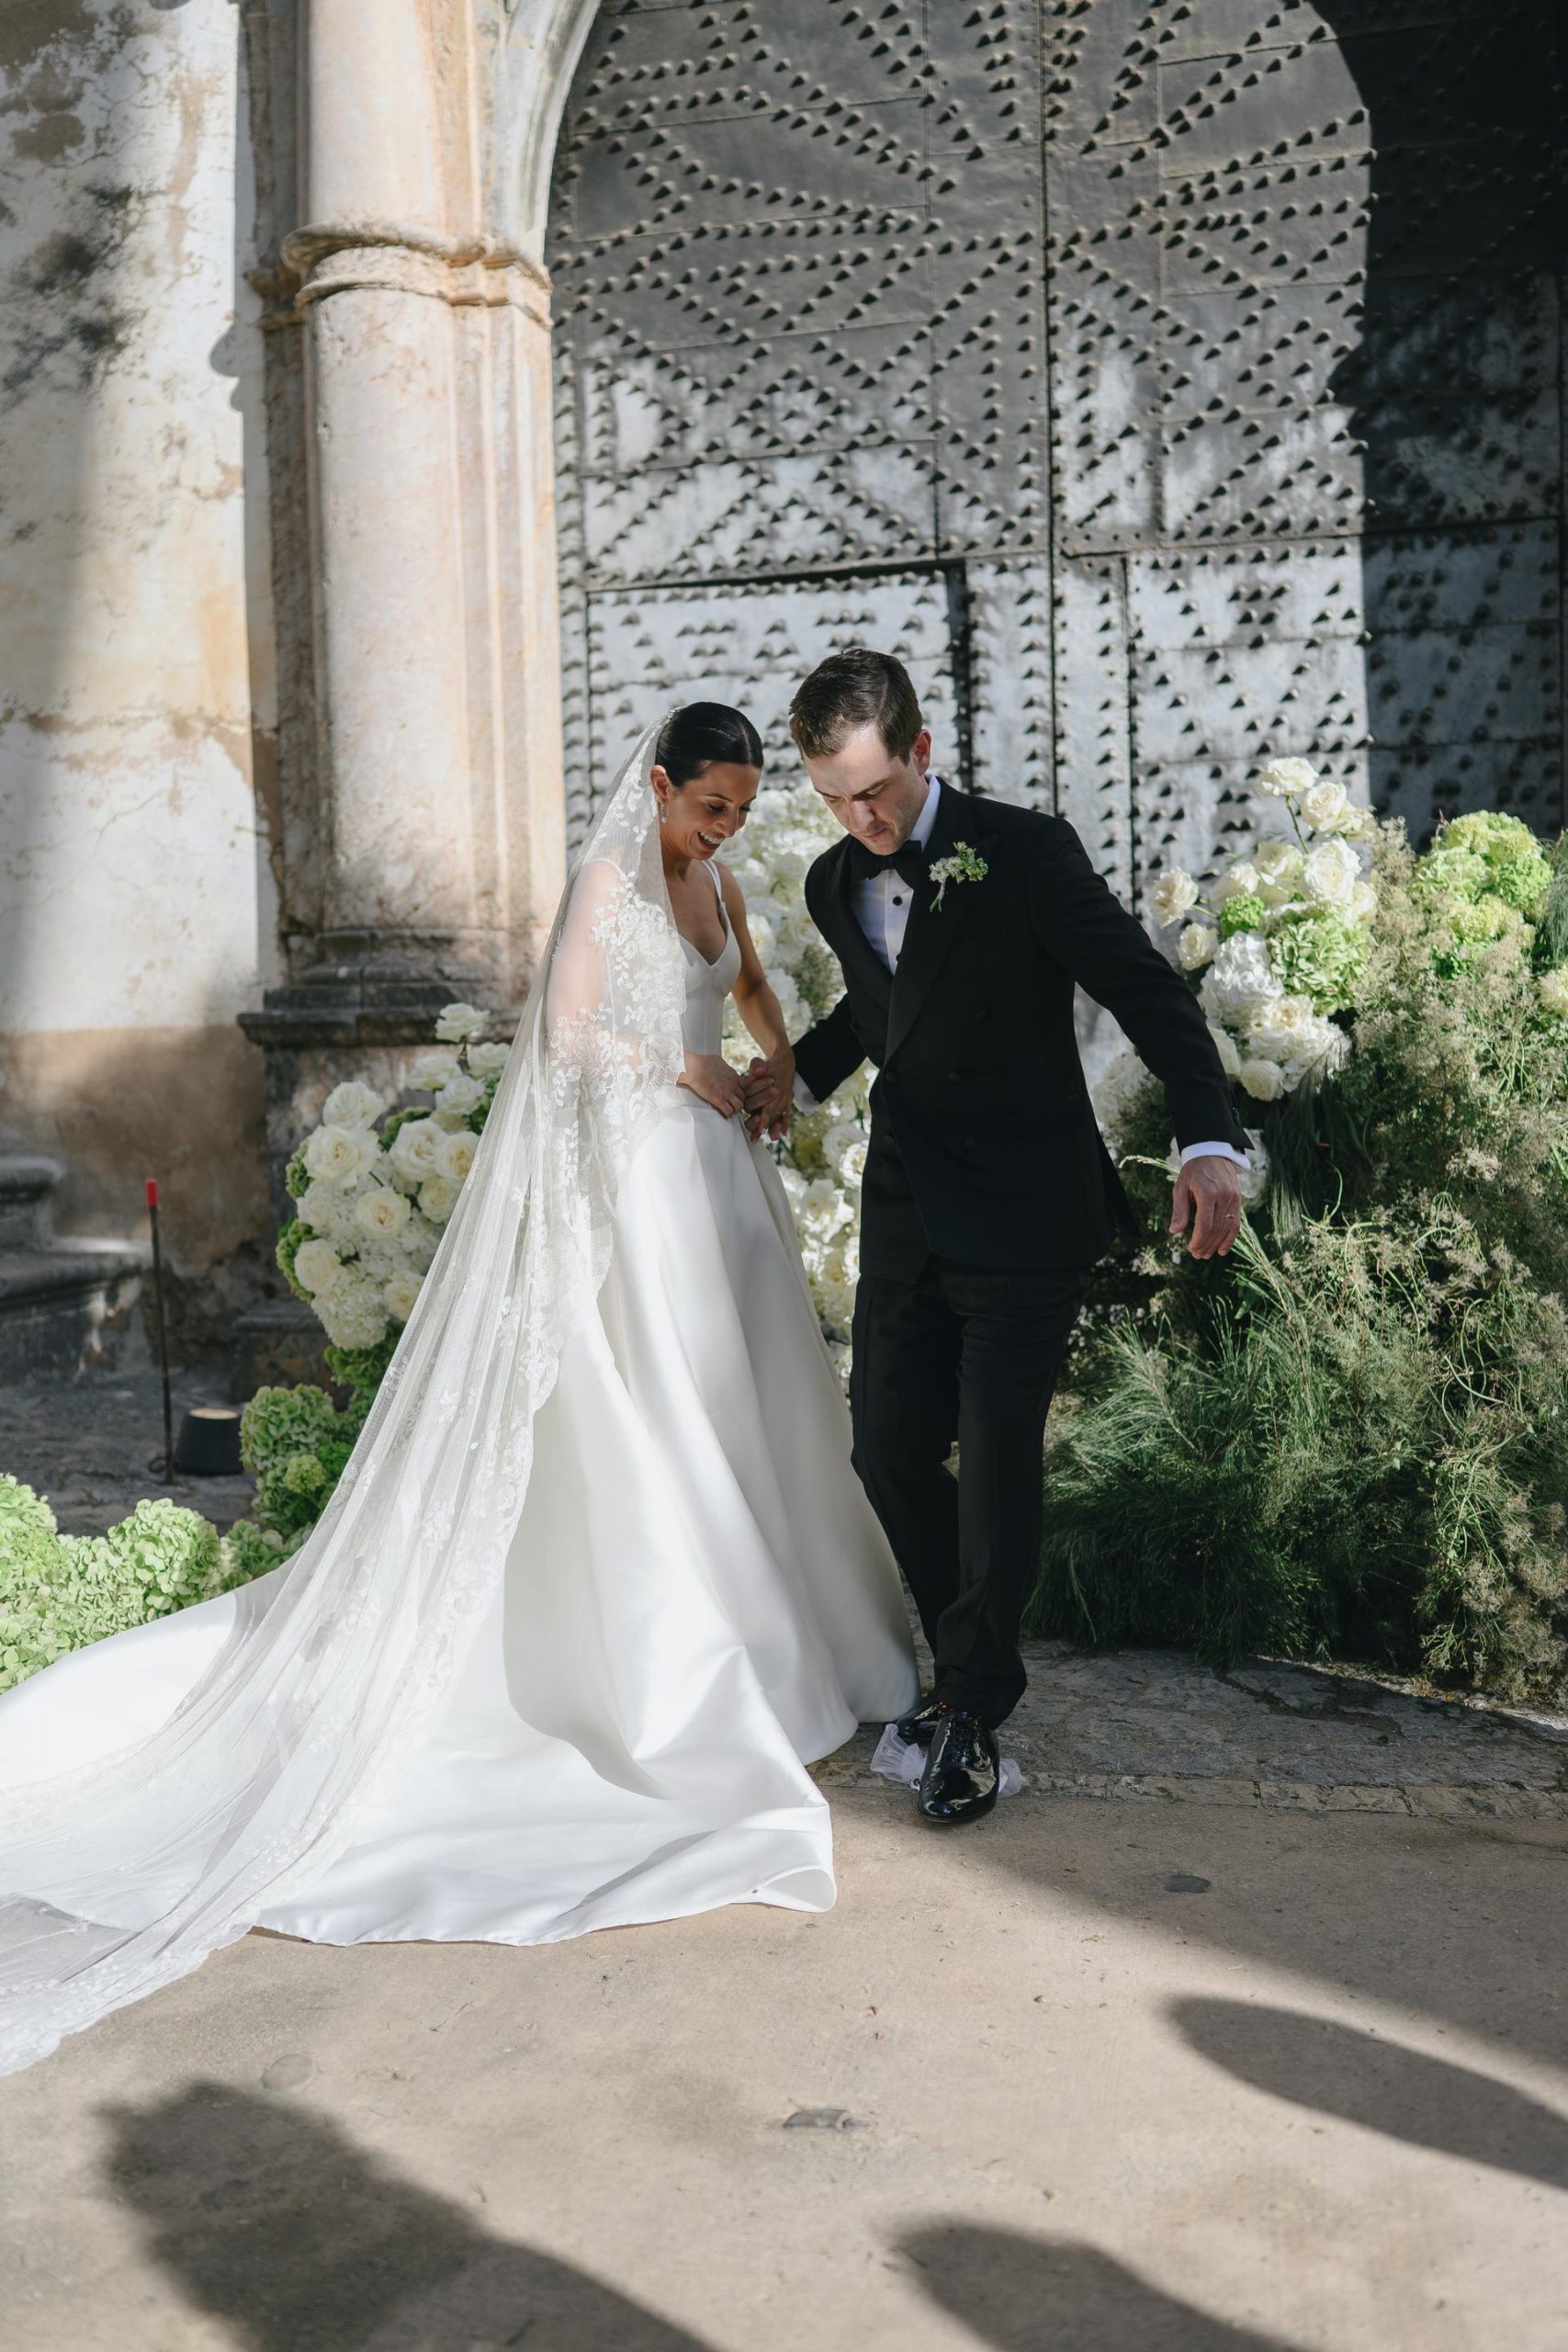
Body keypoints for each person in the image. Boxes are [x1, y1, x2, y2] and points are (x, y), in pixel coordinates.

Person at [0, 707, 916, 2077]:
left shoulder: (717, 880)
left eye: (738, 810)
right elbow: (560, 1033)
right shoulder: (607, 880)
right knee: (661, 1412)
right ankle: (681, 1678)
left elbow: (752, 986)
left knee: (757, 1416)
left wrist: (773, 1060)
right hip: (639, 1183)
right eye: (709, 806)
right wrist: (690, 1068)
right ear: (658, 785)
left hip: (719, 1186)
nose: (725, 829)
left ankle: (802, 1645)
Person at [743, 650, 1247, 1827]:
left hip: (1026, 1213)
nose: (859, 819)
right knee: (884, 1451)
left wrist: (1205, 1141)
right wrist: (793, 1080)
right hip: (912, 1208)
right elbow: (880, 1009)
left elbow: (1144, 990)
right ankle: (968, 1659)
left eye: (873, 791)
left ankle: (971, 1701)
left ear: (923, 753)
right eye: (833, 798)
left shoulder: (1024, 851)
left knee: (996, 1451)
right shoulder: (832, 881)